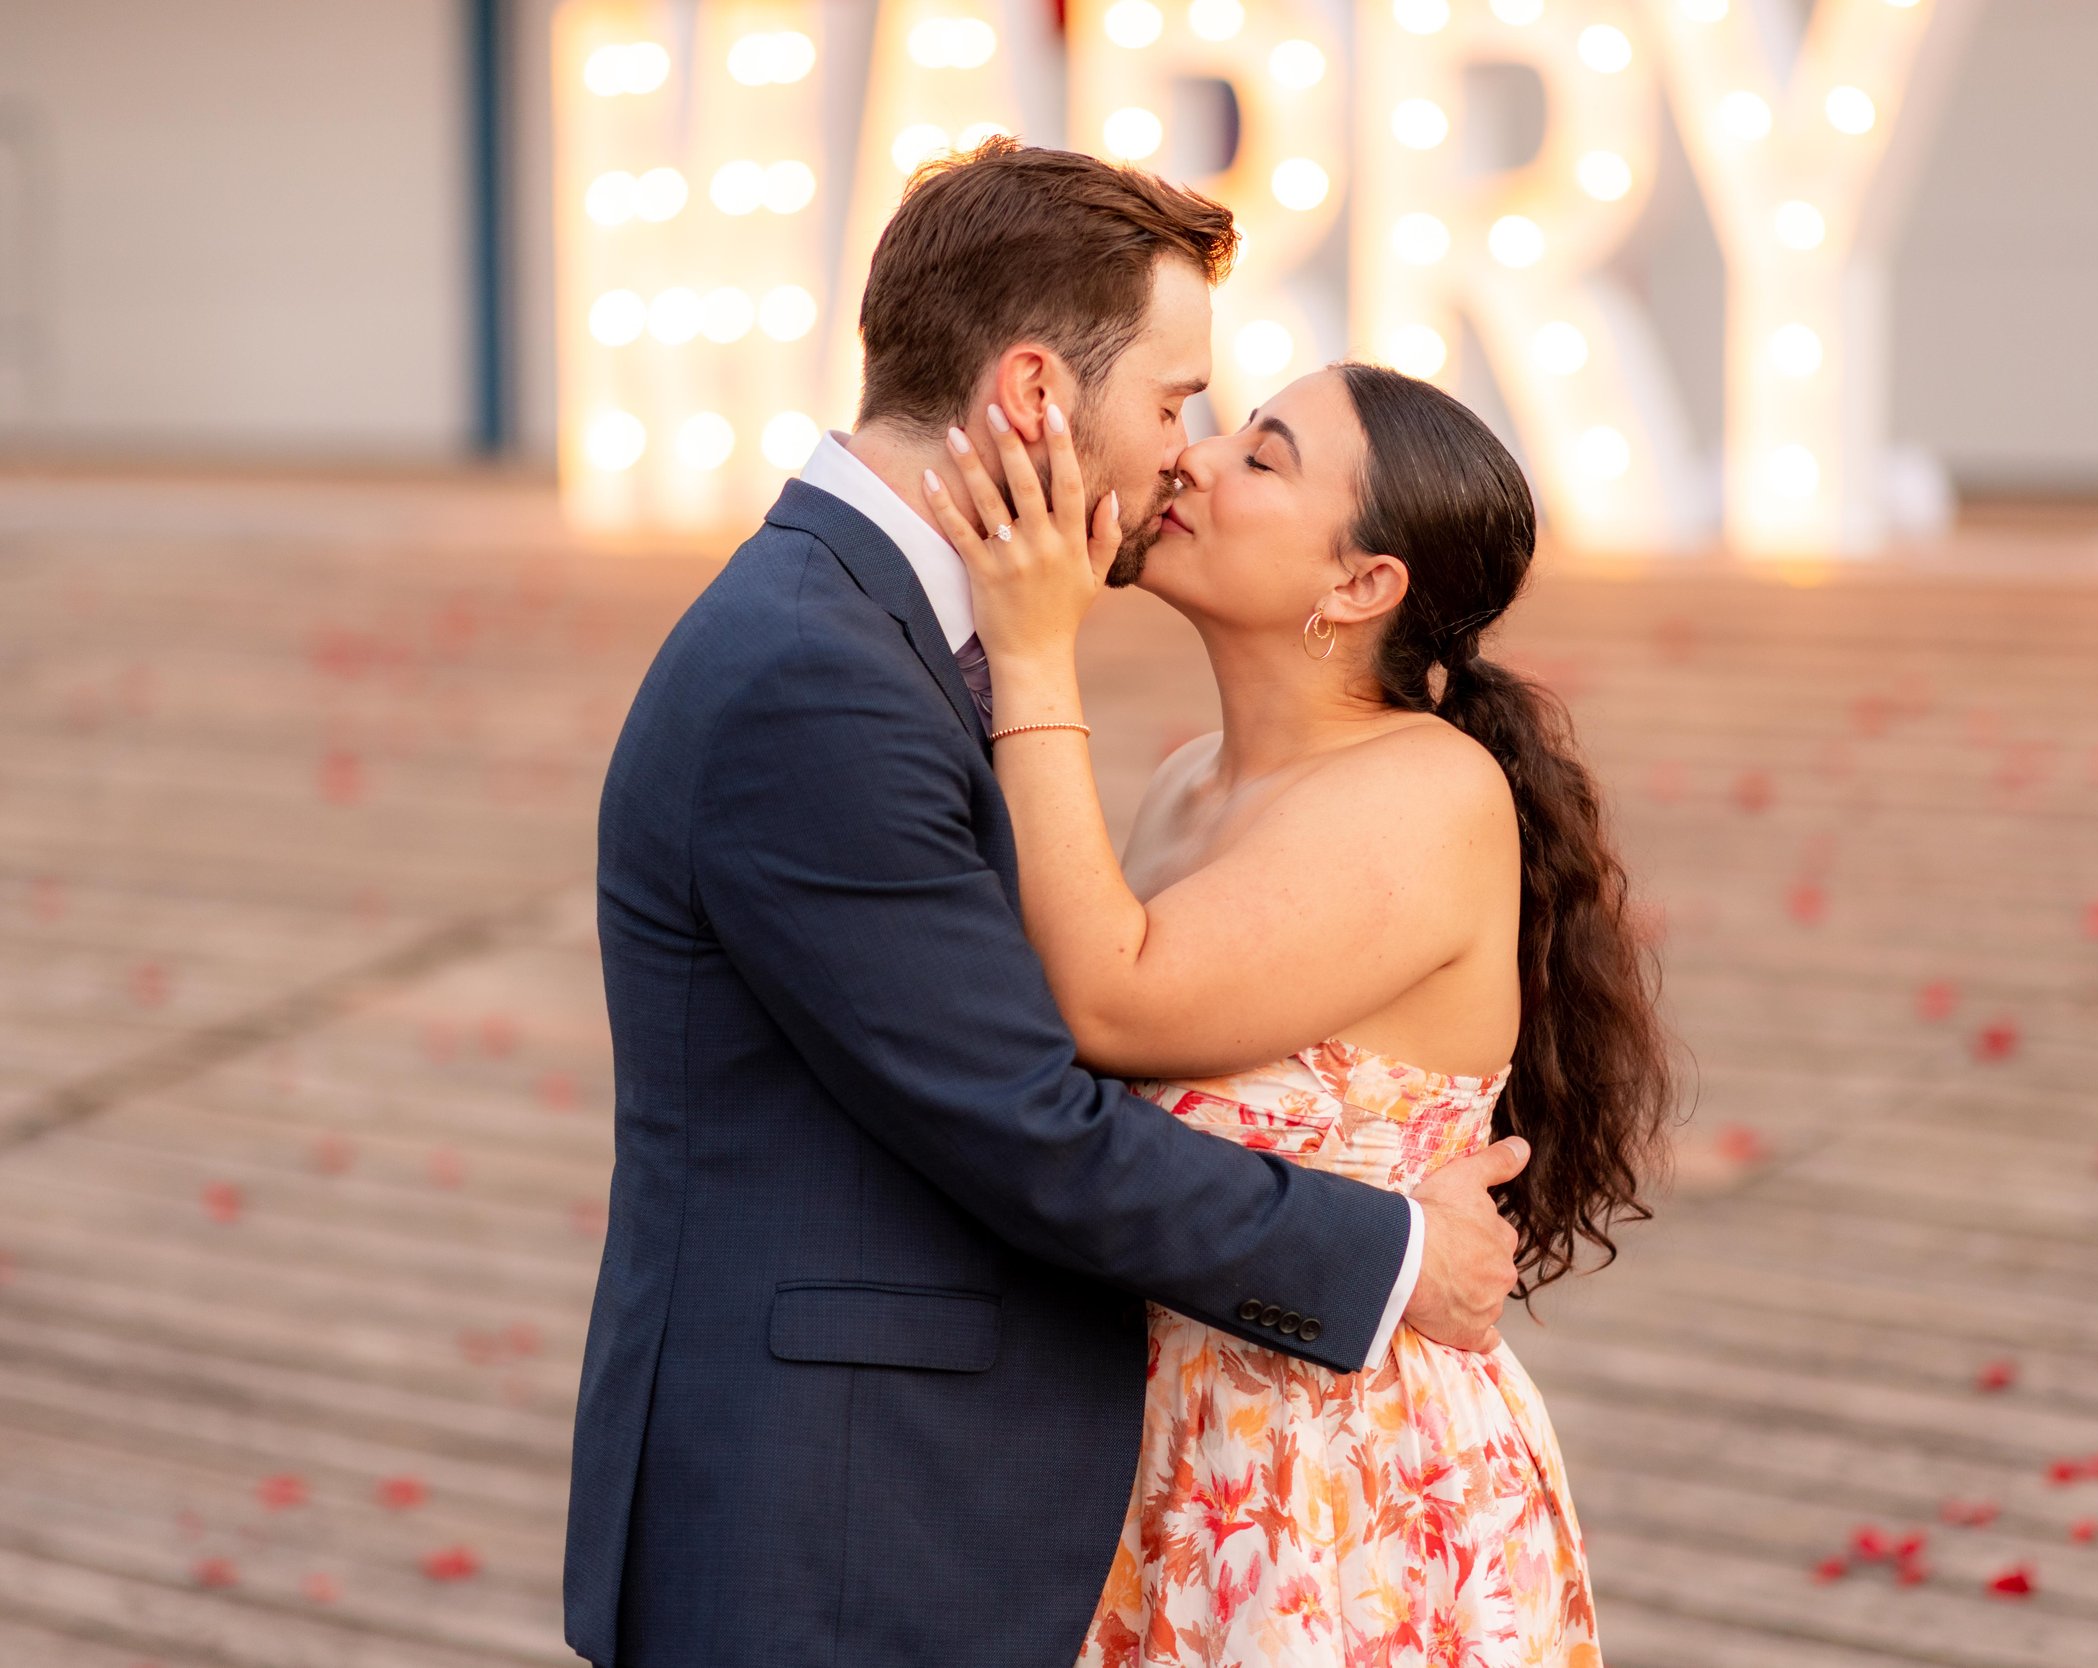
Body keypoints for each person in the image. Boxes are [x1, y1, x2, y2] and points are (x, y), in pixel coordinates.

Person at [563, 141, 1533, 1668]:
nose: (1184, 453)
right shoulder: (821, 674)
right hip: (831, 1515)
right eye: (1172, 403)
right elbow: (1028, 1115)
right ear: (1031, 396)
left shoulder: (866, 634)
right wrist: (1394, 1254)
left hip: (1207, 1507)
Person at [918, 356, 1676, 1662]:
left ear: (1360, 584)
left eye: (1262, 457)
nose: (1197, 461)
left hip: (1337, 1494)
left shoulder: (1425, 794)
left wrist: (1036, 647)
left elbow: (1111, 1000)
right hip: (1154, 1465)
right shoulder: (1184, 788)